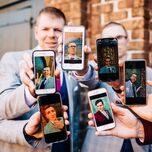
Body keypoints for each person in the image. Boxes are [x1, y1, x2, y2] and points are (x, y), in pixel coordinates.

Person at [0, 6, 97, 152]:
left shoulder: (70, 63)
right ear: (36, 32)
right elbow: (2, 109)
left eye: (57, 30)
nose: (52, 35)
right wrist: (30, 91)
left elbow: (92, 81)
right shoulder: (13, 60)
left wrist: (83, 69)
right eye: (45, 29)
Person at [81, 22, 152, 152]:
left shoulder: (148, 72)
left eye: (118, 37)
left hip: (141, 143)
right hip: (102, 142)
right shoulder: (98, 69)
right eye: (108, 39)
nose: (114, 42)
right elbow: (87, 75)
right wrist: (82, 68)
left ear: (127, 40)